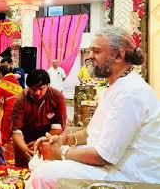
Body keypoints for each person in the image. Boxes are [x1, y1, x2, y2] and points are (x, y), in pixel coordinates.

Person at [31, 27, 160, 188]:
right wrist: (64, 139)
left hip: (130, 176)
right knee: (38, 162)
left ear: (119, 55)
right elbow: (91, 131)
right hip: (113, 167)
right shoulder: (117, 86)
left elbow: (104, 156)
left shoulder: (131, 93)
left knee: (43, 174)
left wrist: (60, 152)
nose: (90, 56)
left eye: (96, 51)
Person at [11, 69, 67, 167]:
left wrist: (41, 141)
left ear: (48, 85)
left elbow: (58, 127)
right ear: (28, 87)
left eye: (41, 88)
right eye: (33, 89)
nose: (37, 92)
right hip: (25, 142)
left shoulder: (57, 97)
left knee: (47, 172)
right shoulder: (20, 99)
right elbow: (16, 131)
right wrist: (25, 149)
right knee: (23, 173)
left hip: (49, 139)